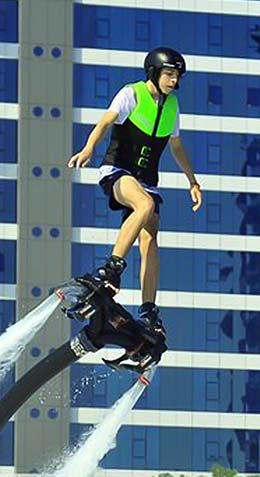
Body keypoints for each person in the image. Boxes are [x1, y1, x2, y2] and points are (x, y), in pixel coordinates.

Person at [67, 47, 203, 337]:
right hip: (118, 171)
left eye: (177, 75)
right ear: (154, 72)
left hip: (147, 179)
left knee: (151, 238)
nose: (173, 80)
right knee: (144, 206)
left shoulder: (172, 106)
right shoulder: (132, 93)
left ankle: (148, 310)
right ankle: (112, 269)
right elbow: (106, 121)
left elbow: (176, 147)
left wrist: (192, 181)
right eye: (169, 73)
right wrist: (89, 147)